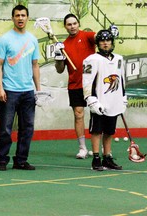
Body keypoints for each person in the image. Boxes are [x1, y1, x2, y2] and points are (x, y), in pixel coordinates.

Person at [0, 4, 41, 171]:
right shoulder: (5, 39)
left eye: (23, 15)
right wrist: (0, 88)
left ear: (27, 18)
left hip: (28, 91)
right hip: (9, 90)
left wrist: (38, 89)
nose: (20, 18)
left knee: (27, 128)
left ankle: (21, 160)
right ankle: (1, 160)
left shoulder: (33, 40)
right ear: (12, 18)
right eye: (17, 15)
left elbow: (35, 65)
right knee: (6, 128)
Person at [82, 29, 127, 171]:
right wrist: (91, 99)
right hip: (99, 101)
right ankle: (96, 159)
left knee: (109, 131)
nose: (105, 43)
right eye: (102, 41)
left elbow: (122, 80)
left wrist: (123, 97)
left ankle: (107, 157)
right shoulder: (91, 59)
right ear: (98, 43)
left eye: (108, 40)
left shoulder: (119, 59)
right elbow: (87, 81)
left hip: (114, 100)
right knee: (97, 131)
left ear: (112, 42)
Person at [54, 14, 97, 159]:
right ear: (65, 26)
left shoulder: (87, 36)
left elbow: (101, 38)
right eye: (69, 24)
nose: (72, 26)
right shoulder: (64, 45)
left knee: (97, 114)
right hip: (75, 84)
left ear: (78, 24)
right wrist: (59, 55)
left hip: (93, 83)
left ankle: (97, 147)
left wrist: (110, 33)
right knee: (78, 115)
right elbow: (60, 69)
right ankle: (83, 148)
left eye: (74, 23)